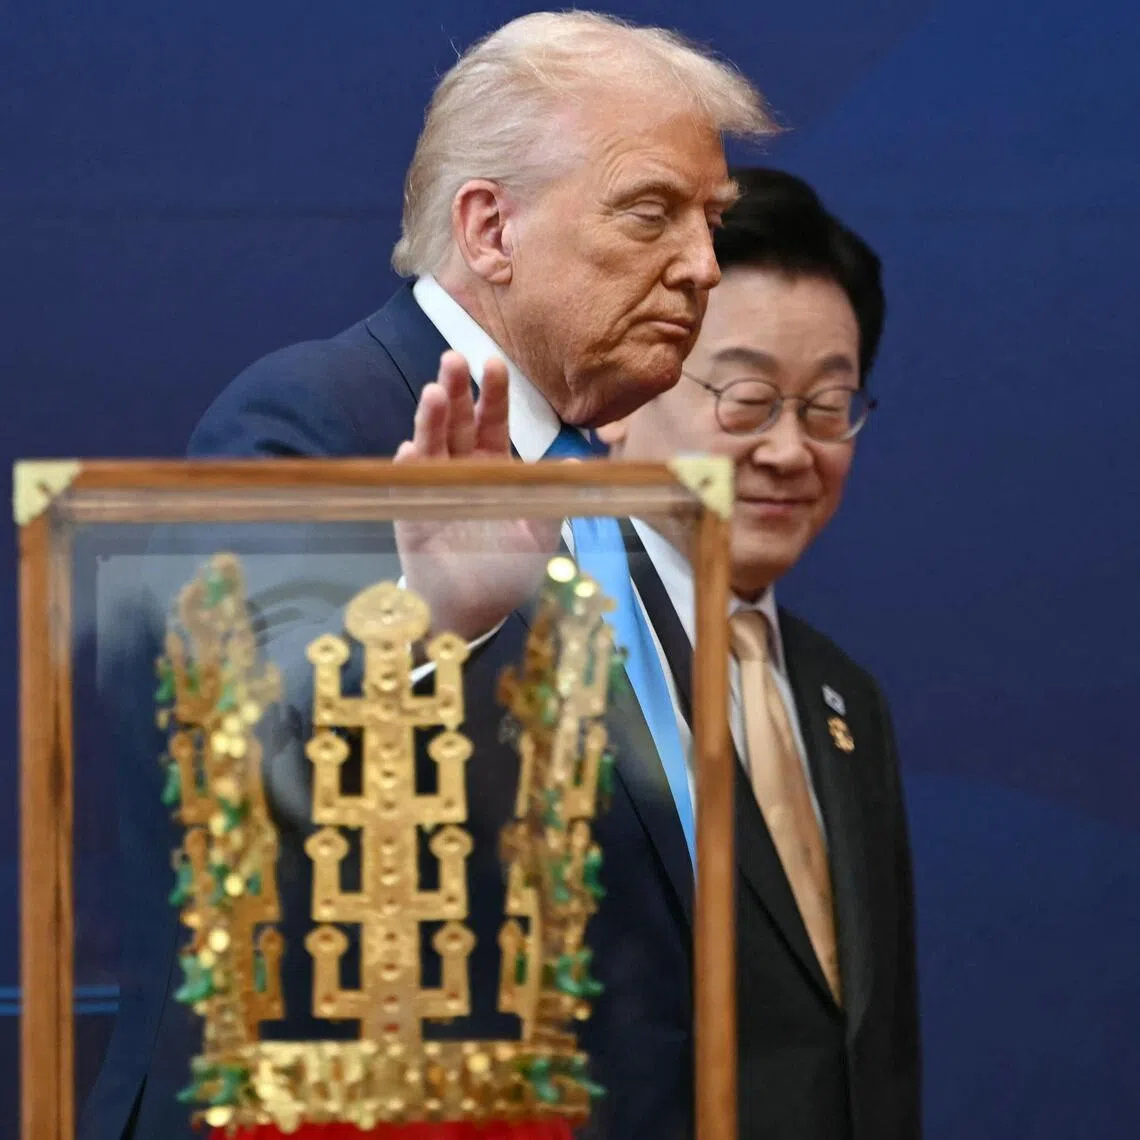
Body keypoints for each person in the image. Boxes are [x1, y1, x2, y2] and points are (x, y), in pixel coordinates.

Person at [79, 13, 772, 1140]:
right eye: (651, 213)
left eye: (711, 222)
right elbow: (227, 770)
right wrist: (426, 628)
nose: (702, 265)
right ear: (489, 229)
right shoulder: (313, 416)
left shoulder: (599, 478)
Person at [596, 167, 922, 1139]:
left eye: (828, 407)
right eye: (746, 398)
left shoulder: (842, 696)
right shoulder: (539, 664)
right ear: (621, 394)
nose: (790, 450)